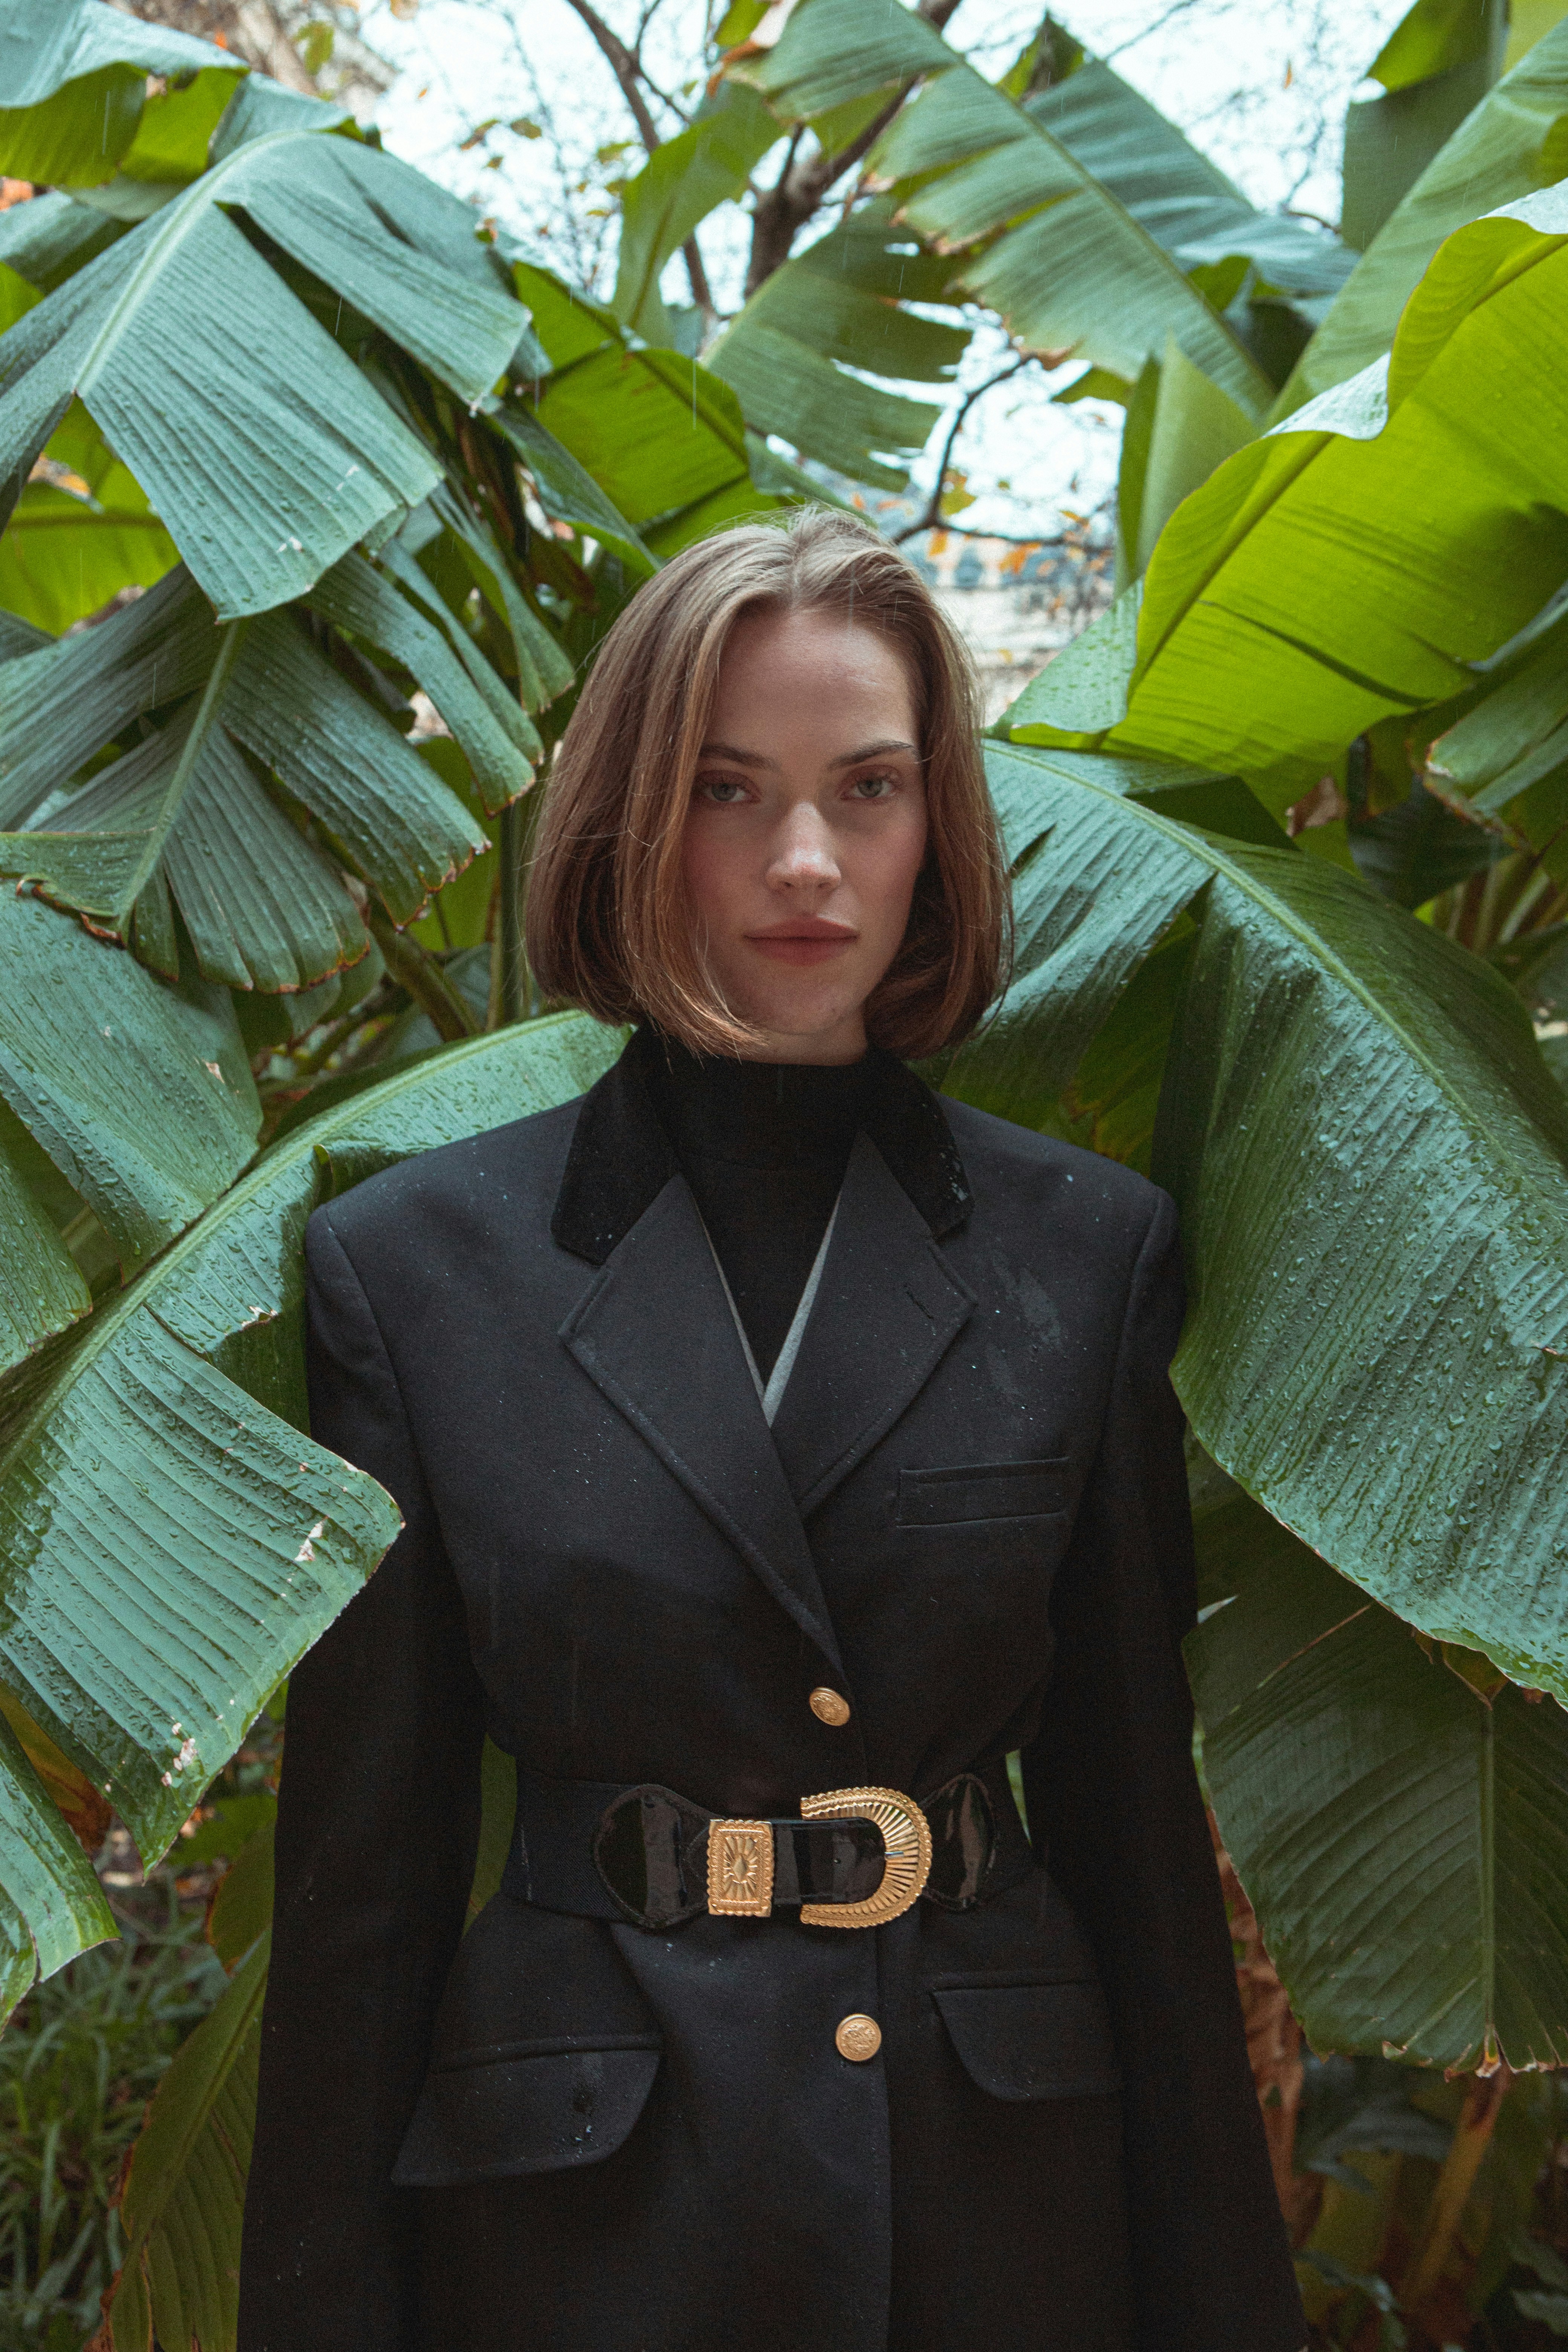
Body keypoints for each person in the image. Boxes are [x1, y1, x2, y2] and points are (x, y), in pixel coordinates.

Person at [240, 508, 1304, 2352]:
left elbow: (1135, 1839)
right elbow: (364, 1898)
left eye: (865, 788)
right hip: (583, 2222)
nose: (805, 861)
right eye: (726, 791)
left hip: (992, 2207)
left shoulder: (1085, 1252)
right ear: (629, 819)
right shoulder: (412, 1272)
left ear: (933, 823)